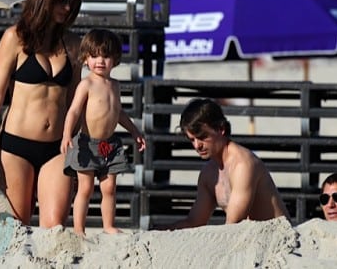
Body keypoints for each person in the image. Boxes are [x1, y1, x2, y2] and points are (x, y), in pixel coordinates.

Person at [0, 0, 82, 227]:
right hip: (16, 147)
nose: (66, 7)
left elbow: (75, 99)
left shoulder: (73, 44)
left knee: (56, 229)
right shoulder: (15, 38)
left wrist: (83, 143)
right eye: (62, 0)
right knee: (14, 230)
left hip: (57, 148)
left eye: (71, 2)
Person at [60, 29, 146, 236]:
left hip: (110, 145)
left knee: (109, 189)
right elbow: (73, 111)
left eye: (106, 56)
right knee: (85, 189)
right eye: (94, 56)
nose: (100, 61)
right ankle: (79, 229)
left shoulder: (115, 85)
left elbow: (119, 113)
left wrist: (134, 131)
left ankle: (108, 226)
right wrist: (66, 134)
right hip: (86, 144)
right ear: (85, 58)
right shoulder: (86, 84)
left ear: (115, 60)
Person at [165, 98, 290, 230]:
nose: (197, 146)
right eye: (192, 139)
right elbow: (194, 222)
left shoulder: (243, 165)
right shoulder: (208, 174)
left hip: (279, 242)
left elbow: (232, 227)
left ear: (221, 129)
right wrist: (159, 231)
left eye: (202, 137)